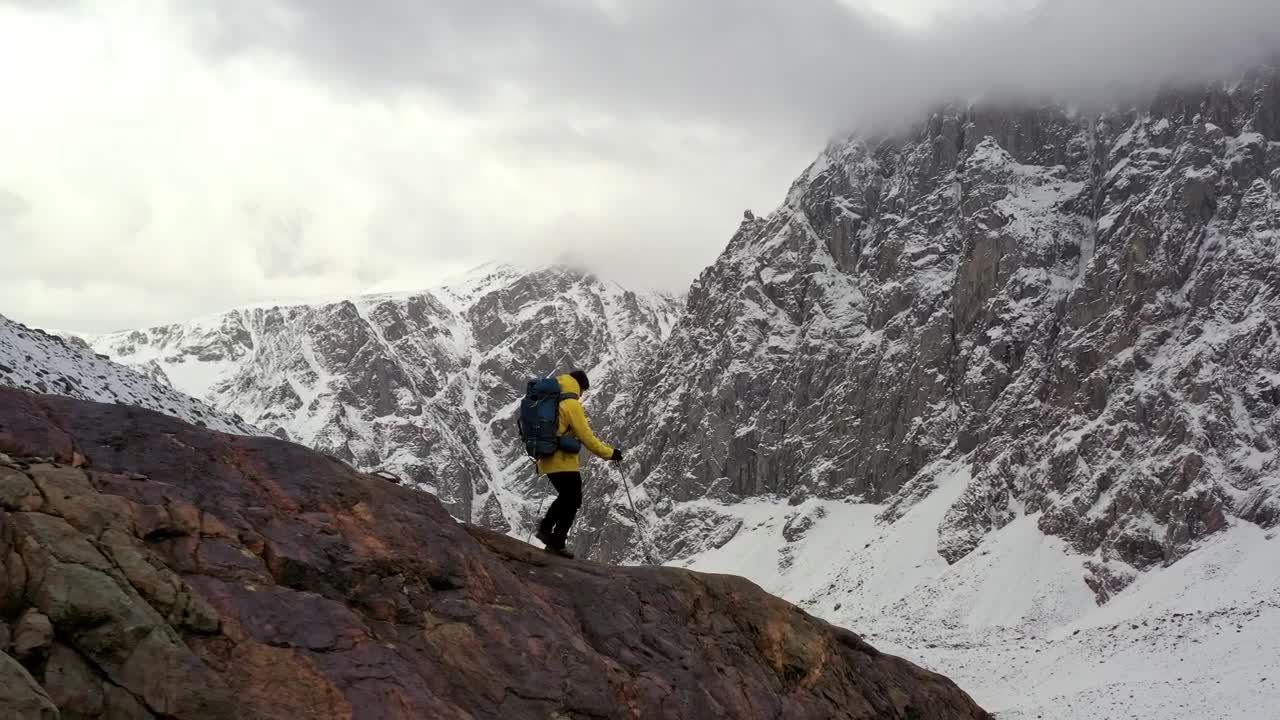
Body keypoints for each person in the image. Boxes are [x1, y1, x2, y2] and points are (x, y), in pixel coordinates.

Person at [535, 368, 622, 558]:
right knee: (573, 499)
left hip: (546, 458)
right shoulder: (571, 405)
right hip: (562, 461)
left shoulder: (552, 402)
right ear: (579, 387)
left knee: (567, 497)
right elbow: (587, 438)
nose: (582, 395)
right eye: (582, 391)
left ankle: (547, 530)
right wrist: (611, 454)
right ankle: (556, 541)